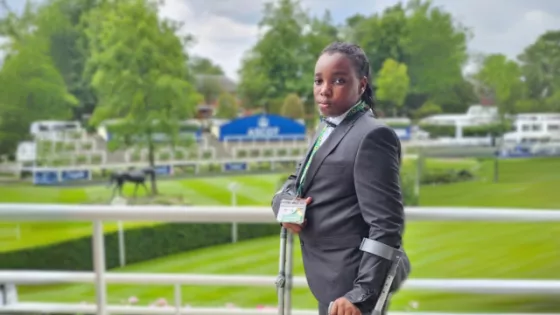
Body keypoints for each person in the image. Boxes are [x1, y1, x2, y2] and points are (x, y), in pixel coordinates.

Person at [271, 42, 411, 315]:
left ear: (361, 85)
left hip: (352, 291)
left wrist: (360, 295)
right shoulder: (327, 126)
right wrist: (284, 206)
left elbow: (386, 223)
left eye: (338, 80)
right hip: (331, 282)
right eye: (318, 80)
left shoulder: (372, 136)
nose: (324, 89)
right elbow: (295, 180)